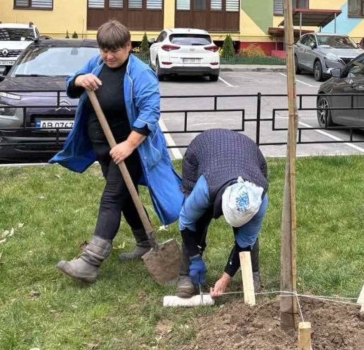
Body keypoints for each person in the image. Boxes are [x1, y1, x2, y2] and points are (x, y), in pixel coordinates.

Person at [49, 20, 183, 283]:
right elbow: (70, 85)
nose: (109, 56)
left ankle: (90, 261)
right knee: (123, 196)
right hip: (102, 146)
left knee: (111, 197)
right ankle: (145, 242)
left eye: (115, 51)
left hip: (130, 147)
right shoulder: (96, 65)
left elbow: (150, 113)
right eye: (104, 50)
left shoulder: (141, 73)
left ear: (128, 47)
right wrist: (79, 79)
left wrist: (128, 145)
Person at [177, 128, 267, 298]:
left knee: (249, 234)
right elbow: (185, 222)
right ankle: (186, 274)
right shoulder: (204, 189)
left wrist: (226, 277)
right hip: (201, 151)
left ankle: (252, 273)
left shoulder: (259, 199)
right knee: (197, 221)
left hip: (249, 154)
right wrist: (195, 258)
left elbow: (246, 240)